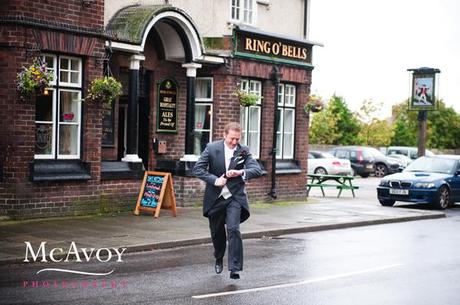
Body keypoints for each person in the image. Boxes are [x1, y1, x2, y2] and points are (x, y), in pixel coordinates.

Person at [193, 122, 262, 279]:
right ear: (224, 135)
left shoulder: (243, 151)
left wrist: (240, 172)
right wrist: (215, 180)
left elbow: (256, 170)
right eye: (232, 139)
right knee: (217, 233)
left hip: (235, 198)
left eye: (237, 139)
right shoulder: (211, 148)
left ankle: (235, 268)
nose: (234, 142)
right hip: (215, 199)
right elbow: (198, 169)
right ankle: (218, 257)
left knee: (233, 229)